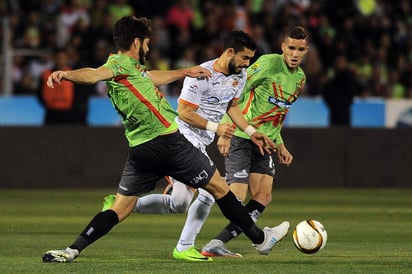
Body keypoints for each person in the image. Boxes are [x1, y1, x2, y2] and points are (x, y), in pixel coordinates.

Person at [41, 15, 282, 263]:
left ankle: (71, 250)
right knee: (219, 188)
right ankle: (260, 239)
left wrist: (185, 71)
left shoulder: (127, 67)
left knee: (121, 208)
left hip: (140, 150)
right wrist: (66, 74)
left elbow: (151, 77)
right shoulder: (117, 67)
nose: (148, 47)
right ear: (136, 42)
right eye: (146, 43)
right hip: (170, 142)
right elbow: (93, 75)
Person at [102, 29, 289, 262]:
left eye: (250, 59)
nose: (247, 63)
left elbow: (231, 107)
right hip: (183, 137)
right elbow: (184, 113)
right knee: (212, 192)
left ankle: (122, 206)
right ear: (230, 52)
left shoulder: (239, 76)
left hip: (202, 140)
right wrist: (217, 128)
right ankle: (186, 246)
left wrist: (252, 132)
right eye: (245, 58)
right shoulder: (201, 74)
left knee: (179, 203)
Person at [200, 26, 310, 257]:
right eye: (291, 48)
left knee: (263, 195)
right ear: (283, 47)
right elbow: (233, 95)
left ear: (306, 50)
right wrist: (225, 132)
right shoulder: (267, 64)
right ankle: (208, 195)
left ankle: (217, 243)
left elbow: (277, 114)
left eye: (300, 49)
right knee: (237, 197)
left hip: (265, 142)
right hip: (242, 135)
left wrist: (280, 144)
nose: (295, 54)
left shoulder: (300, 79)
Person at [322, 54, 359, 126]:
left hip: (345, 112)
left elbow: (352, 92)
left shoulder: (349, 78)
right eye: (339, 62)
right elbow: (325, 92)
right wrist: (333, 105)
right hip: (334, 112)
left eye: (342, 62)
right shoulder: (332, 77)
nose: (340, 64)